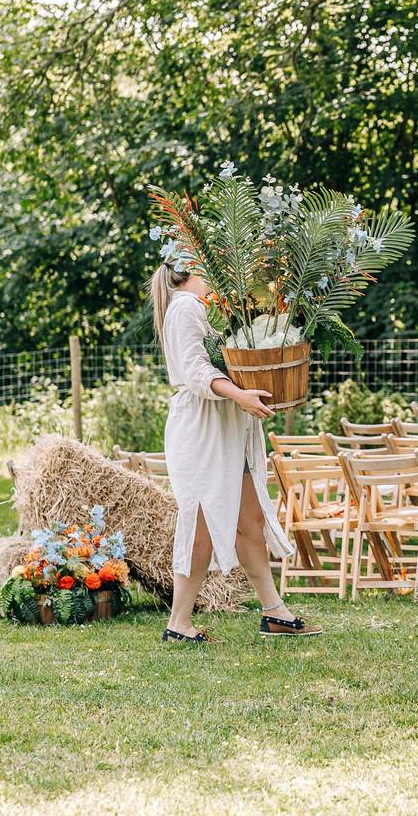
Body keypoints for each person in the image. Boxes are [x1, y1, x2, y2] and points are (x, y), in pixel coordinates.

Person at [150, 263, 319, 642]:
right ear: (187, 270)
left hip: (228, 426)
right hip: (202, 429)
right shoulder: (184, 307)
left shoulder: (203, 307)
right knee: (202, 524)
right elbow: (194, 371)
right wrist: (239, 394)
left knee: (250, 519)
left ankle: (275, 612)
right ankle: (179, 623)